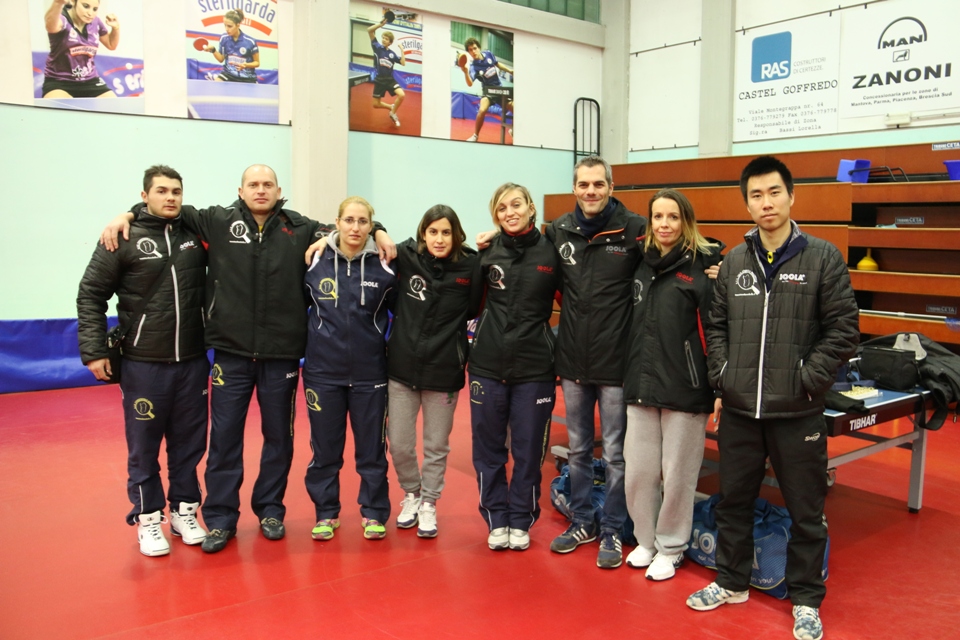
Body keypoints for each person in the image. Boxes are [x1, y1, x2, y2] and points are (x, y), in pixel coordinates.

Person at [99, 165, 397, 554]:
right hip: (231, 354)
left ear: (278, 190)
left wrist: (380, 230)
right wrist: (126, 215)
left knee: (278, 440)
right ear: (240, 190)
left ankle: (270, 510)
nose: (260, 190)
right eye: (253, 185)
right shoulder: (216, 220)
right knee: (224, 440)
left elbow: (350, 224)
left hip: (281, 356)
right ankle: (221, 518)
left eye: (267, 185)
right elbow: (164, 208)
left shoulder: (300, 227)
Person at [687, 156, 859, 640]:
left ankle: (806, 599)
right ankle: (731, 582)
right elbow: (716, 326)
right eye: (756, 195)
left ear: (791, 196)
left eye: (774, 192)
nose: (766, 203)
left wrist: (807, 379)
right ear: (747, 204)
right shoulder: (734, 262)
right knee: (734, 502)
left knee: (806, 510)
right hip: (741, 409)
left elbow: (844, 330)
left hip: (797, 411)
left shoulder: (822, 257)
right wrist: (724, 376)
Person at [77, 165, 208, 557]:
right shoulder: (122, 237)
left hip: (192, 362)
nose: (170, 197)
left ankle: (185, 512)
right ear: (145, 195)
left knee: (189, 444)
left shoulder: (194, 233)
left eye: (176, 191)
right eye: (162, 191)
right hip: (143, 364)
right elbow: (91, 294)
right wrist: (94, 350)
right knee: (144, 447)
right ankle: (148, 518)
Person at [545, 155, 644, 570]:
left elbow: (673, 254)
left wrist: (712, 265)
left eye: (598, 184)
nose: (591, 191)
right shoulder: (558, 230)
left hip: (616, 363)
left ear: (610, 187)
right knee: (579, 449)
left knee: (617, 453)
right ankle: (583, 521)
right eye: (583, 184)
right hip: (572, 360)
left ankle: (613, 530)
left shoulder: (635, 229)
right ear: (574, 188)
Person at [621, 189, 722, 581]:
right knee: (639, 472)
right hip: (641, 384)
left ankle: (672, 547)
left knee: (678, 474)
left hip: (686, 388)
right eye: (658, 217)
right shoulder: (640, 263)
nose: (665, 224)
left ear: (686, 221)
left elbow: (715, 332)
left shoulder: (704, 268)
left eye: (673, 217)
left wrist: (717, 388)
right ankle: (646, 541)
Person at [469, 183, 560, 552]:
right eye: (502, 208)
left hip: (535, 368)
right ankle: (496, 518)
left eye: (516, 204)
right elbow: (472, 305)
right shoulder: (486, 252)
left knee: (528, 451)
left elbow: (576, 302)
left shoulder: (552, 252)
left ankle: (521, 519)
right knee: (488, 450)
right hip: (487, 366)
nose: (510, 212)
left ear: (531, 208)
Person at [303, 197, 398, 541]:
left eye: (362, 221)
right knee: (325, 450)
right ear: (337, 222)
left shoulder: (385, 265)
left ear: (372, 226)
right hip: (322, 373)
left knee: (371, 451)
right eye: (349, 220)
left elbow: (397, 313)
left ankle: (373, 512)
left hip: (370, 374)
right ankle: (326, 513)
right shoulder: (314, 260)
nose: (355, 227)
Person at [388, 206, 482, 538]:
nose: (439, 239)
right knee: (399, 443)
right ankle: (411, 493)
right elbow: (373, 231)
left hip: (444, 370)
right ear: (423, 234)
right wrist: (380, 230)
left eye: (446, 232)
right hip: (401, 367)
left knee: (436, 445)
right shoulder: (406, 256)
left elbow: (473, 308)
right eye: (432, 232)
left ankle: (429, 502)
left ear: (456, 235)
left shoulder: (471, 265)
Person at [42, 0, 120, 98]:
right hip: (59, 81)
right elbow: (50, 26)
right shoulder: (62, 20)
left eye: (95, 9)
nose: (90, 13)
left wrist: (116, 28)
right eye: (86, 6)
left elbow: (111, 45)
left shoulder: (96, 22)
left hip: (90, 81)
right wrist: (58, 3)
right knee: (63, 106)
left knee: (112, 103)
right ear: (73, 2)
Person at [459, 37, 513, 142]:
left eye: (474, 48)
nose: (473, 51)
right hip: (488, 91)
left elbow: (497, 64)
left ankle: (513, 130)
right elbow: (470, 83)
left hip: (499, 89)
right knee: (482, 110)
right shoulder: (473, 67)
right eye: (470, 50)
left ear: (479, 48)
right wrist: (465, 72)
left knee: (515, 107)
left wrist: (510, 71)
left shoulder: (488, 54)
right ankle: (475, 136)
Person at [367, 16, 406, 128]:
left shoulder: (392, 54)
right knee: (375, 104)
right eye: (383, 38)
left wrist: (402, 50)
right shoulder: (377, 48)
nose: (384, 40)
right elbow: (369, 30)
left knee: (402, 95)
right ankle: (390, 107)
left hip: (389, 80)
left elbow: (403, 63)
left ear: (390, 42)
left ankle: (392, 113)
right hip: (379, 79)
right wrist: (381, 25)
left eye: (386, 39)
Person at [202, 9, 259, 83]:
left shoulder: (250, 42)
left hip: (247, 77)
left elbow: (257, 63)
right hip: (228, 74)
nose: (226, 29)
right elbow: (221, 59)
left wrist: (246, 65)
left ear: (238, 25)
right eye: (225, 25)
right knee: (215, 86)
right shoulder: (224, 38)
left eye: (229, 26)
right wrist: (213, 50)